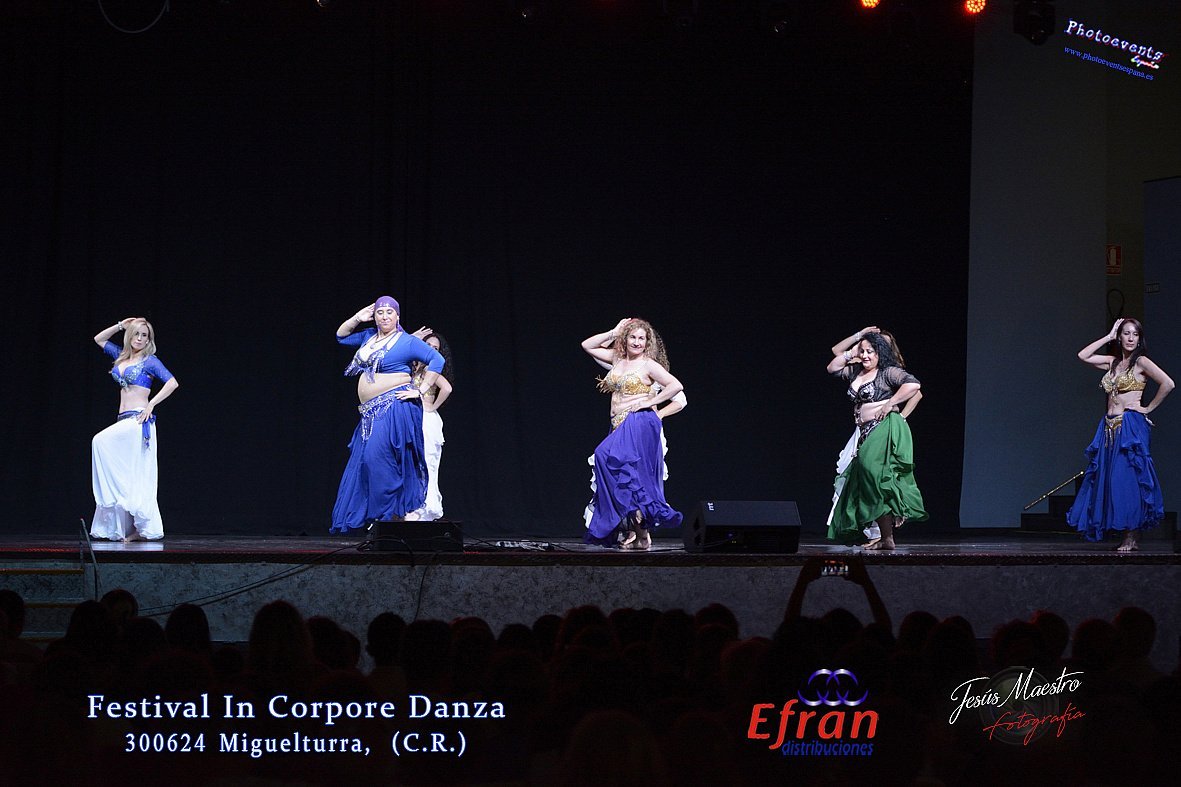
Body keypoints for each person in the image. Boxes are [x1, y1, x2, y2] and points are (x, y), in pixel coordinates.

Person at [330, 297, 444, 534]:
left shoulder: (406, 341)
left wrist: (420, 389)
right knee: (367, 462)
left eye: (389, 312)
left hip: (393, 407)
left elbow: (437, 359)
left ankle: (389, 515)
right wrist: (358, 318)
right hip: (370, 413)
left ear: (397, 316)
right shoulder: (369, 337)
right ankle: (390, 517)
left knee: (376, 458)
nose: (384, 316)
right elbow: (341, 336)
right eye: (380, 312)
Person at [1067, 318, 1173, 551]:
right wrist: (1108, 336)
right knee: (1109, 477)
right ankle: (1126, 532)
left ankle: (1131, 536)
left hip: (1130, 426)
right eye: (1126, 333)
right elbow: (1083, 355)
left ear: (1140, 338)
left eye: (1135, 334)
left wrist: (1147, 408)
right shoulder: (1112, 362)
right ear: (1120, 336)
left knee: (1128, 478)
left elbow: (1168, 383)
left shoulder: (1141, 362)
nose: (1131, 338)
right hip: (1108, 426)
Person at [581, 318, 685, 550]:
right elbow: (587, 345)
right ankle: (641, 535)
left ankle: (635, 520)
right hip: (619, 424)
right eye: (633, 337)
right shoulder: (617, 359)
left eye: (642, 338)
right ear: (625, 339)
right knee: (631, 478)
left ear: (647, 343)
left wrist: (650, 403)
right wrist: (614, 331)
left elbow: (676, 386)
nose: (637, 342)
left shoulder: (648, 365)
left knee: (604, 456)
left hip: (638, 422)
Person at [826, 326, 926, 549]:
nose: (865, 355)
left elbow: (914, 386)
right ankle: (886, 537)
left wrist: (892, 405)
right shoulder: (856, 372)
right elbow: (832, 366)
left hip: (883, 428)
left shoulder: (887, 372)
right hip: (864, 430)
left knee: (872, 474)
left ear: (880, 352)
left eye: (870, 351)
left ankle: (888, 528)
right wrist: (857, 345)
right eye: (863, 351)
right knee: (869, 479)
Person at [90, 318, 179, 541]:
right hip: (122, 420)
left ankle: (135, 520)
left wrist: (151, 404)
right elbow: (99, 339)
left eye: (144, 335)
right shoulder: (121, 356)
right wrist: (121, 325)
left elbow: (172, 382)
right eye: (136, 334)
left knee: (99, 441)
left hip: (137, 421)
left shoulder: (150, 361)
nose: (139, 339)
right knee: (130, 473)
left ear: (149, 340)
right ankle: (130, 528)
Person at [410, 327, 454, 521]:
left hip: (426, 420)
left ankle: (424, 510)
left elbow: (447, 388)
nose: (430, 349)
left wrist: (432, 407)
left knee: (426, 462)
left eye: (435, 348)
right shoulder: (412, 368)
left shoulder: (430, 369)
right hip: (412, 418)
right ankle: (410, 509)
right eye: (427, 345)